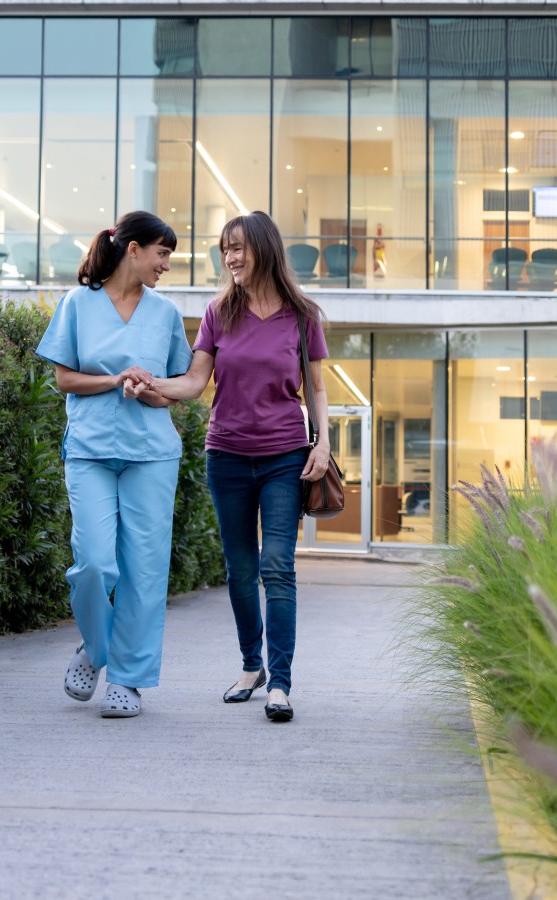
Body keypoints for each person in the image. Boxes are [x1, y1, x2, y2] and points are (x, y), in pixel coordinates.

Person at [133, 211, 330, 723]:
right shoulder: (219, 311)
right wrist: (150, 384)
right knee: (240, 570)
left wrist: (323, 443)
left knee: (276, 566)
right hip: (227, 456)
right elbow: (195, 384)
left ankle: (281, 683)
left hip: (285, 456)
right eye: (225, 249)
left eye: (239, 247)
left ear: (264, 247)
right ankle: (251, 667)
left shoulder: (302, 313)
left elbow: (318, 387)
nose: (231, 258)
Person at [34, 211, 192, 719]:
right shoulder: (78, 305)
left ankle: (128, 680)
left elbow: (174, 391)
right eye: (162, 253)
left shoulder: (165, 313)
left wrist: (149, 393)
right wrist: (113, 379)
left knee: (144, 573)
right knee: (95, 563)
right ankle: (97, 651)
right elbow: (62, 378)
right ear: (133, 250)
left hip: (152, 453)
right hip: (90, 450)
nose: (167, 264)